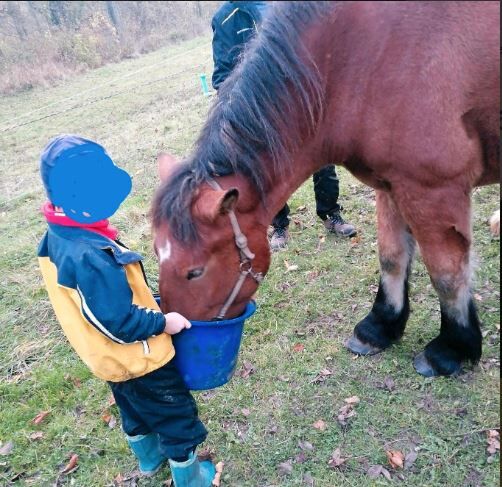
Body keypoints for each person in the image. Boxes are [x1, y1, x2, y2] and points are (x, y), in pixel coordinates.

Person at [37, 135, 215, 487]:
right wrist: (165, 321)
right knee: (176, 416)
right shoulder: (90, 256)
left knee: (134, 411)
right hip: (141, 359)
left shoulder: (58, 236)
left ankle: (149, 461)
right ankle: (190, 478)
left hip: (109, 361)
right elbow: (118, 322)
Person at [211, 1, 357, 251]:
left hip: (301, 99)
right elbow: (222, 76)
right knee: (270, 170)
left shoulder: (282, 6)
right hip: (264, 111)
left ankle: (331, 214)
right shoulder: (225, 18)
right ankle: (280, 225)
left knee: (322, 161)